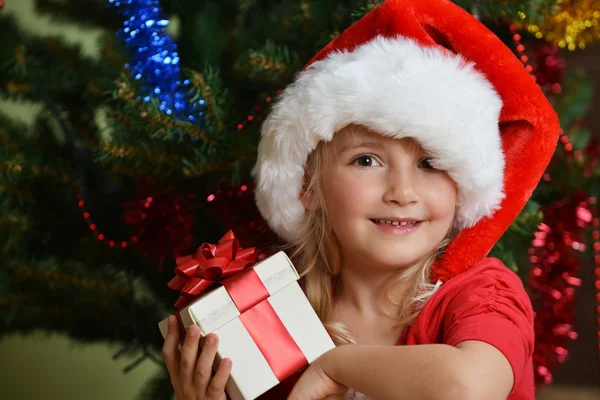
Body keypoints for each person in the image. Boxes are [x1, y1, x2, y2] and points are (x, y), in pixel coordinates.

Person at [161, 0, 560, 399]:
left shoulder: (480, 293)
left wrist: (334, 367)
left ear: (462, 187)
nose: (402, 193)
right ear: (308, 187)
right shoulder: (275, 314)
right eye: (366, 160)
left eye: (430, 162)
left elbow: (467, 388)